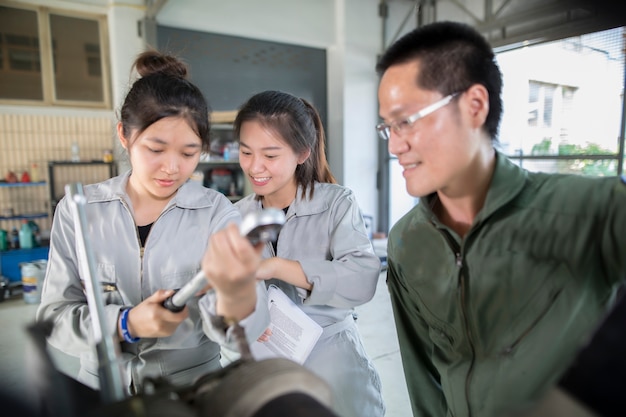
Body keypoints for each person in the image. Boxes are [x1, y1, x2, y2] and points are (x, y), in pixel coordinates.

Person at [375, 21, 626, 417]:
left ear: (474, 106)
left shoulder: (588, 210)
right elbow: (422, 376)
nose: (394, 144)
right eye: (387, 126)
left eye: (406, 120)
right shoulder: (407, 241)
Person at [36, 50, 267, 396]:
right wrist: (125, 324)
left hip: (191, 391)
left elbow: (250, 328)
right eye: (156, 149)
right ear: (124, 136)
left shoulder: (216, 212)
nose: (172, 167)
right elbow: (53, 319)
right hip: (101, 390)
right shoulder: (79, 209)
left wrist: (236, 294)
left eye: (189, 153)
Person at [230, 90, 385, 417]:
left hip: (333, 362)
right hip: (267, 365)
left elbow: (362, 279)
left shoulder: (336, 203)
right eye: (246, 152)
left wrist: (277, 267)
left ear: (302, 152)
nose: (255, 166)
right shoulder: (235, 216)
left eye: (270, 155)